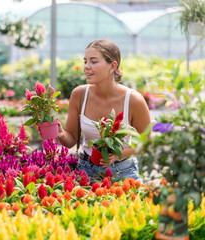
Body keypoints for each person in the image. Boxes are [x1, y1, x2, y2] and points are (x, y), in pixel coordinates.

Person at [57, 39, 151, 181]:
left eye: (93, 62)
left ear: (112, 66)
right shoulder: (79, 95)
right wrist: (59, 133)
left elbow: (146, 141)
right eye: (85, 61)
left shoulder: (133, 100)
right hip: (86, 171)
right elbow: (70, 140)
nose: (87, 67)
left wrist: (119, 154)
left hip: (123, 172)